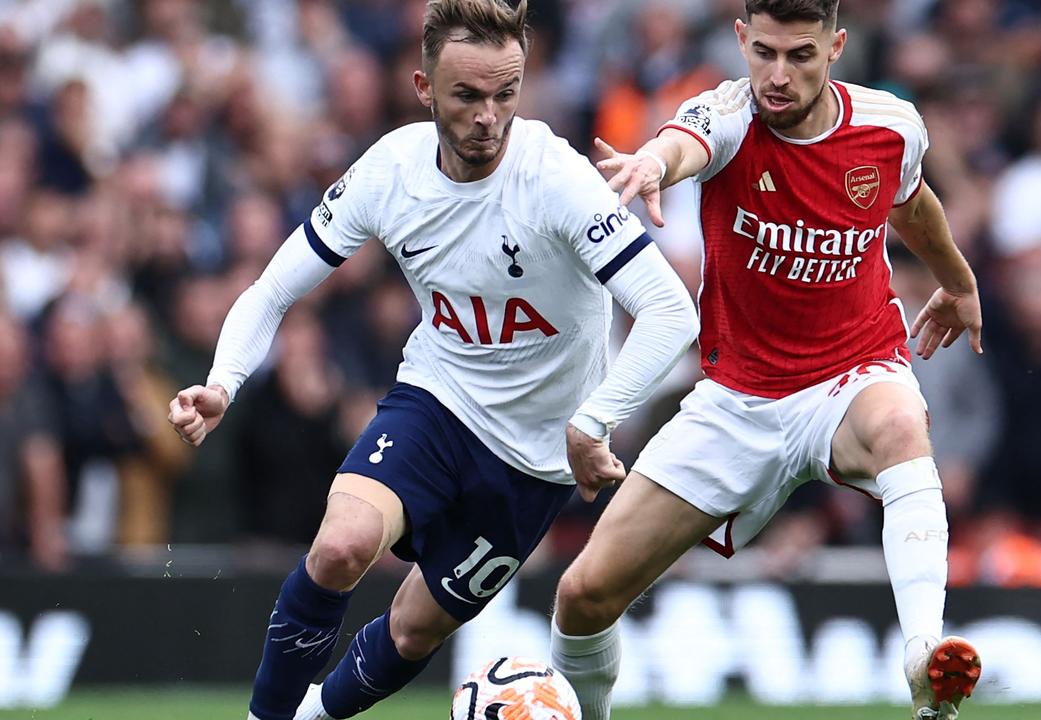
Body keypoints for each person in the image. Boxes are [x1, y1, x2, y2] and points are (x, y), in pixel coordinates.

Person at [165, 2, 698, 719]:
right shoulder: (391, 170)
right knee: (341, 548)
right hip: (437, 403)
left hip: (536, 462)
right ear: (423, 88)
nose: (489, 115)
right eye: (468, 96)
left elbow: (672, 311)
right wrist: (223, 382)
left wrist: (595, 421)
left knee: (414, 628)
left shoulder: (557, 181)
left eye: (506, 94)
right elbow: (272, 289)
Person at [549, 2, 983, 720]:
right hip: (735, 399)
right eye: (766, 53)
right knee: (583, 594)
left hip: (850, 375)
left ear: (837, 47)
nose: (777, 76)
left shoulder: (890, 125)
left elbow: (909, 203)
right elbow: (681, 144)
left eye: (801, 57)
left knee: (902, 426)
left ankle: (922, 660)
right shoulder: (726, 115)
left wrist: (959, 282)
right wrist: (653, 163)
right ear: (742, 40)